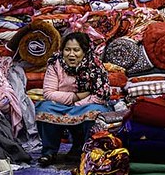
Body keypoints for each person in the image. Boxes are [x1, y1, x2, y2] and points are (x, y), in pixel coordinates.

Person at [34, 32, 112, 167]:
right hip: (62, 105)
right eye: (67, 49)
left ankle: (85, 150)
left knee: (96, 113)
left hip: (87, 105)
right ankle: (49, 152)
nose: (71, 54)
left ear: (84, 51)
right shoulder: (55, 63)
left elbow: (100, 95)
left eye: (76, 50)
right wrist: (74, 97)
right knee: (44, 108)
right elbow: (48, 93)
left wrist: (77, 104)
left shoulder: (95, 66)